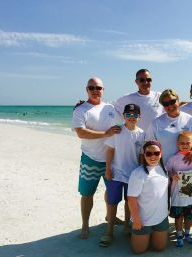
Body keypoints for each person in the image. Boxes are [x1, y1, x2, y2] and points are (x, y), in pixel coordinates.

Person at [72, 77, 122, 239]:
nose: (95, 90)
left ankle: (110, 217)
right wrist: (105, 134)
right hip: (90, 158)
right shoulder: (81, 110)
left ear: (103, 90)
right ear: (86, 89)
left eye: (98, 88)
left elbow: (134, 111)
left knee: (112, 192)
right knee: (87, 194)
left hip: (112, 159)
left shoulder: (111, 108)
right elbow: (80, 132)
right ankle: (85, 225)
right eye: (92, 87)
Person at [99, 104, 145, 247]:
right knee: (112, 203)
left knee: (129, 202)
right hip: (116, 173)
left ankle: (126, 226)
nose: (131, 117)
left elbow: (142, 155)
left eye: (134, 115)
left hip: (133, 175)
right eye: (128, 115)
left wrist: (142, 172)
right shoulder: (117, 131)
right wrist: (108, 169)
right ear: (124, 116)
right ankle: (109, 231)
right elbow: (110, 151)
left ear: (139, 117)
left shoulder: (142, 133)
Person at [127, 141, 169, 254]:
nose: (153, 156)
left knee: (160, 248)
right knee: (139, 250)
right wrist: (136, 220)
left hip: (161, 218)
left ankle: (151, 235)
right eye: (149, 154)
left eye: (156, 153)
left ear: (161, 153)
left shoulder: (164, 169)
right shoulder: (137, 173)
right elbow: (131, 199)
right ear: (144, 155)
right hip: (143, 220)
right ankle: (138, 233)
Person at [166, 131, 192, 247]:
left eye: (188, 143)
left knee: (189, 216)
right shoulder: (173, 158)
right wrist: (172, 175)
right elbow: (167, 171)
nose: (185, 145)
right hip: (177, 193)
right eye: (182, 143)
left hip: (190, 194)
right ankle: (178, 235)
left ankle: (187, 234)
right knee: (178, 216)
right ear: (178, 144)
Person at [145, 89, 192, 165]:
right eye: (166, 104)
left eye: (172, 102)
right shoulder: (156, 122)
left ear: (178, 101)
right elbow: (148, 145)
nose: (170, 106)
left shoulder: (189, 119)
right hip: (163, 168)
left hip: (187, 167)